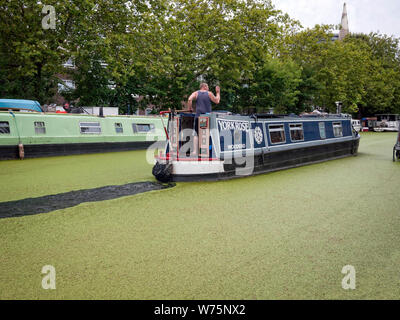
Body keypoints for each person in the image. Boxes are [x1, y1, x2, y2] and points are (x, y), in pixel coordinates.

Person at [187, 83, 220, 156]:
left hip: (198, 116)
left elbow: (189, 99)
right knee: (205, 133)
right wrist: (218, 93)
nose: (208, 88)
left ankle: (195, 151)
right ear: (204, 87)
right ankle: (205, 152)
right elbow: (217, 101)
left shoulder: (196, 93)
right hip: (206, 117)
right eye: (207, 86)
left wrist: (190, 108)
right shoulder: (209, 94)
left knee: (196, 134)